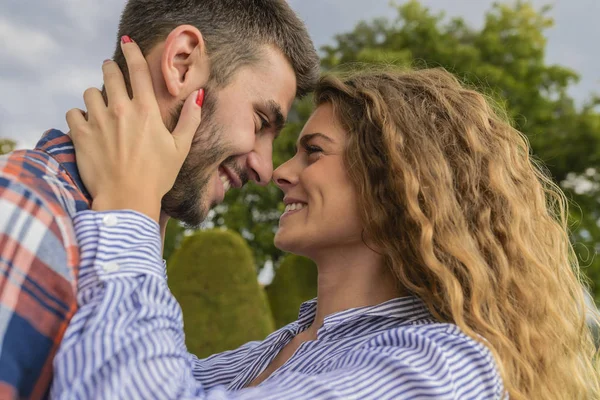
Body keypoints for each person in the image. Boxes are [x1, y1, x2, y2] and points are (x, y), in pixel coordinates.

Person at [51, 41, 600, 399]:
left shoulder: (444, 370)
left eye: (313, 150)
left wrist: (131, 208)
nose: (279, 172)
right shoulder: (279, 348)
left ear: (397, 180)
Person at [0, 0, 318, 398]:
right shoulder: (24, 209)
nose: (265, 169)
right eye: (259, 122)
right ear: (182, 64)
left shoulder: (119, 257)